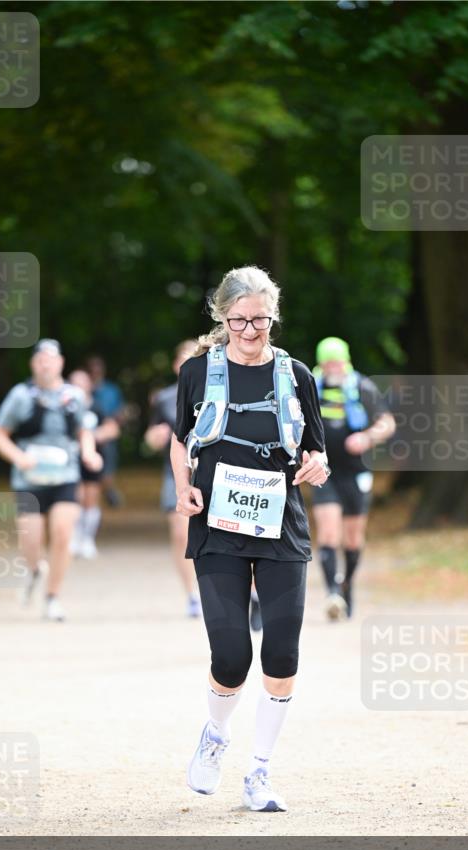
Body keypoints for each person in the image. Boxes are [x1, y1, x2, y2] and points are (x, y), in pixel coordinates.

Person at [171, 266, 329, 813]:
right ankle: (215, 736)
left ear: (274, 317)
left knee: (283, 650)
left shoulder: (296, 374)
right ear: (222, 317)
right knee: (232, 654)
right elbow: (179, 440)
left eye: (260, 319)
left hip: (280, 523)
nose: (249, 330)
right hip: (217, 523)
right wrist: (183, 488)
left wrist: (317, 467)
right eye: (238, 320)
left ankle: (259, 771)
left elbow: (316, 448)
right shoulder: (198, 372)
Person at [0, 339, 102, 621]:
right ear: (33, 364)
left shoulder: (74, 396)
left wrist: (89, 453)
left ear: (60, 363)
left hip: (65, 476)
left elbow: (84, 431)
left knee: (63, 535)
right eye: (40, 359)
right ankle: (35, 569)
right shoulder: (20, 396)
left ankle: (52, 597)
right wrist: (18, 456)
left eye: (51, 359)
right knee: (31, 542)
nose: (45, 364)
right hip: (29, 481)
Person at [310, 336, 395, 620]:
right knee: (328, 532)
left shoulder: (361, 386)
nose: (333, 368)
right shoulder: (311, 385)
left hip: (356, 472)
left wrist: (367, 437)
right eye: (327, 362)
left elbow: (387, 423)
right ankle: (332, 592)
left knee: (353, 537)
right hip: (324, 472)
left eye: (337, 362)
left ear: (346, 361)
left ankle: (347, 585)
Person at [144, 340, 202, 617]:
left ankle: (245, 592)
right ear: (175, 365)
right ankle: (192, 595)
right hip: (176, 472)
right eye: (183, 359)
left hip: (214, 471)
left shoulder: (219, 391)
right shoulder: (165, 398)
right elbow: (153, 435)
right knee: (181, 534)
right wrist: (154, 438)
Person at [68, 369, 121, 559]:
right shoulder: (66, 406)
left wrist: (95, 436)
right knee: (76, 496)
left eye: (82, 383)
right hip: (71, 458)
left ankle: (87, 538)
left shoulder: (96, 407)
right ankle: (74, 536)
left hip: (94, 457)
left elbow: (112, 428)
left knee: (90, 498)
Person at [85, 356, 125, 507]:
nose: (96, 371)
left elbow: (120, 411)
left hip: (107, 436)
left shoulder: (112, 390)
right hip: (87, 433)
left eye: (98, 368)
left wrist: (114, 424)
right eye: (92, 368)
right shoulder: (83, 389)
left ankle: (108, 489)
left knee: (107, 466)